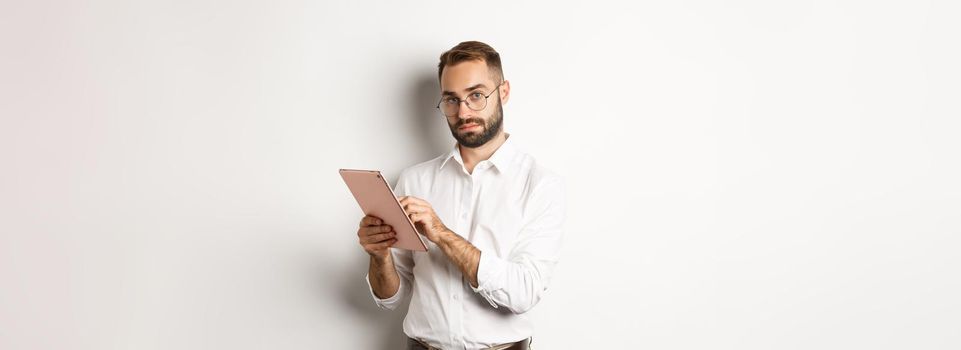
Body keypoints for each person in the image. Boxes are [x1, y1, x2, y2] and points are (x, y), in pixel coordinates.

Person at [356, 41, 566, 350]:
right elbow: (390, 298)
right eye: (451, 100)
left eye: (476, 95)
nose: (463, 111)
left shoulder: (540, 184)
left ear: (504, 92)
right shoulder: (415, 179)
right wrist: (378, 255)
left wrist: (441, 234)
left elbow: (524, 292)